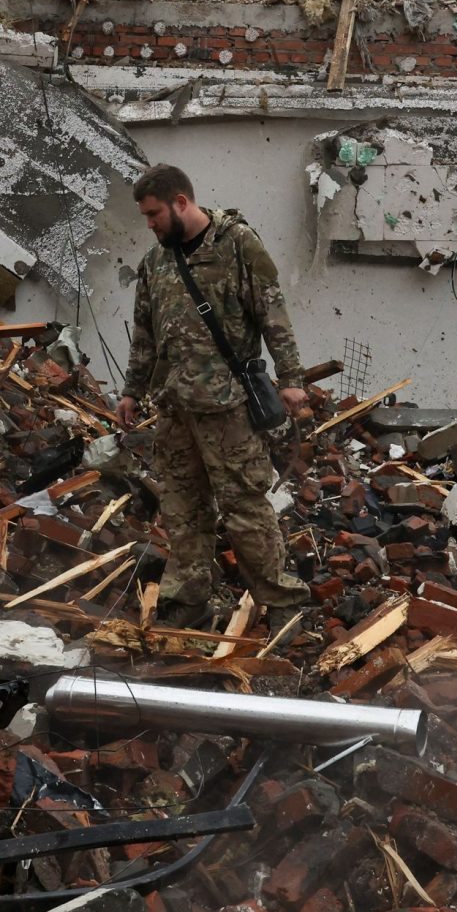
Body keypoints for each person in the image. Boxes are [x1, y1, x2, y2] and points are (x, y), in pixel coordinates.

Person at [115, 164, 313, 622]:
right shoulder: (156, 261)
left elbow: (274, 316)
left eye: (154, 214)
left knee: (245, 505)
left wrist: (292, 380)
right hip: (175, 407)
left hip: (227, 407)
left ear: (181, 202)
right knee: (183, 507)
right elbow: (145, 335)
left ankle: (280, 601)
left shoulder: (238, 245)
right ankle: (188, 598)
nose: (150, 224)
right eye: (145, 216)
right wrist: (131, 392)